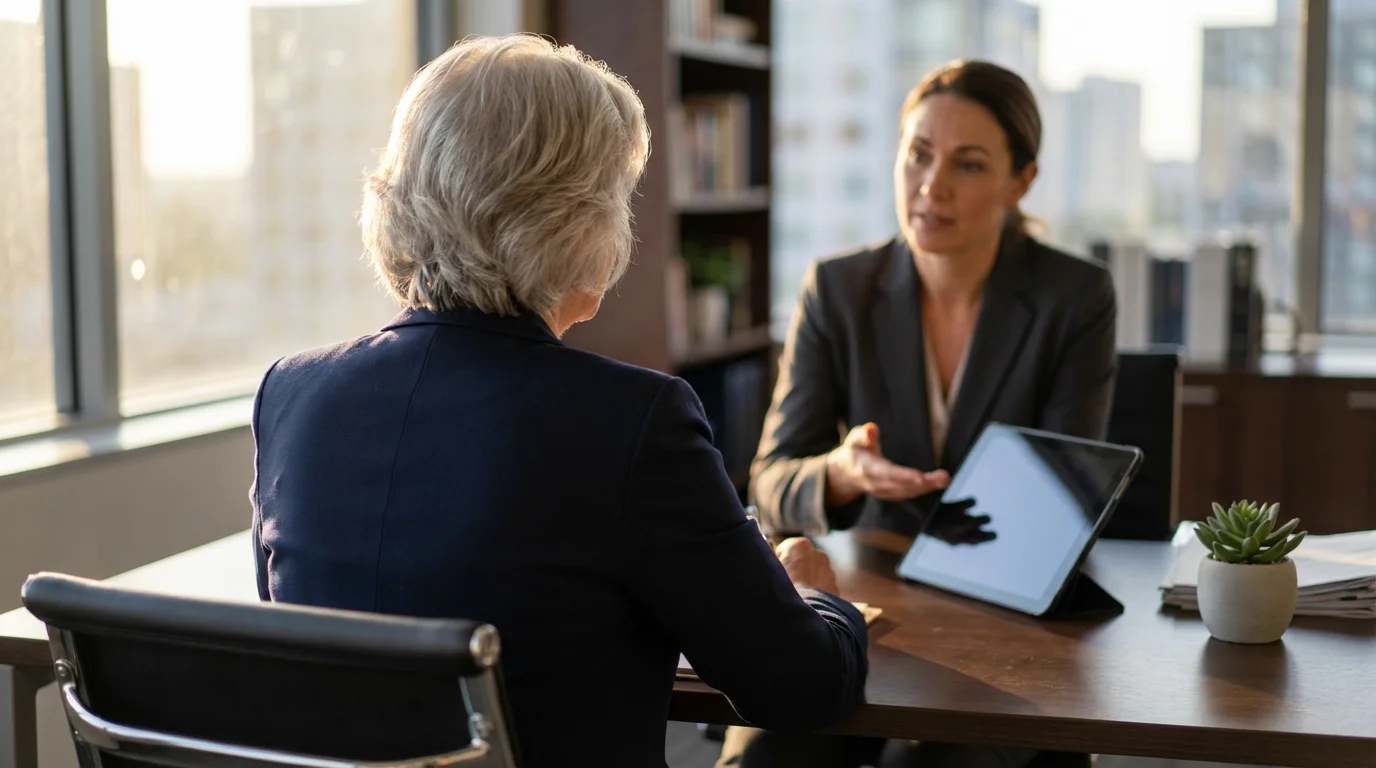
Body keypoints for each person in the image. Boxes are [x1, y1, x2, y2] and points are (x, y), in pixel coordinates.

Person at [249, 34, 868, 768]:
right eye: (616, 196)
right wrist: (819, 602)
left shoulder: (290, 394)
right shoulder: (632, 423)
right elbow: (798, 690)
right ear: (575, 220)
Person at [724, 59, 1117, 768]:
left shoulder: (1074, 298)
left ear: (1019, 182)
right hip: (859, 613)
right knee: (769, 759)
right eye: (918, 155)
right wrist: (841, 474)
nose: (931, 186)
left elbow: (1064, 501)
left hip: (1004, 628)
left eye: (968, 165)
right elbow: (771, 481)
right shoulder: (838, 289)